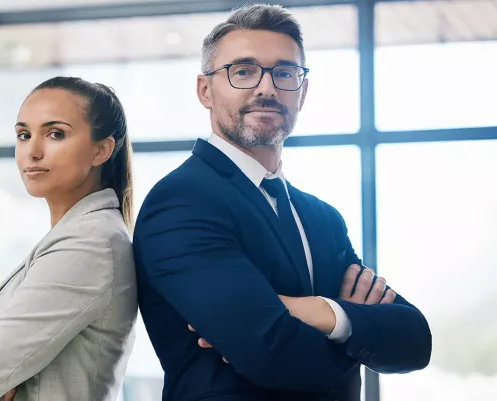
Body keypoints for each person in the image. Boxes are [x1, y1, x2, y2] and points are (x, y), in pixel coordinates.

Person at [133, 4, 431, 401]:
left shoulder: (322, 217)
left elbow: (414, 340)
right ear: (205, 90)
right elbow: (272, 355)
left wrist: (317, 312)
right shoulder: (181, 203)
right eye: (243, 71)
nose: (267, 88)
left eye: (285, 73)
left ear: (302, 92)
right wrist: (353, 331)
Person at [0, 77, 138, 401]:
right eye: (23, 135)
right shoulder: (75, 235)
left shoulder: (88, 246)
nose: (32, 151)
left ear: (102, 149)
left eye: (55, 134)